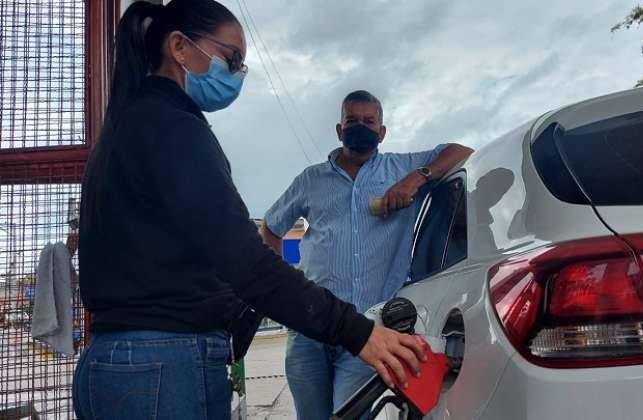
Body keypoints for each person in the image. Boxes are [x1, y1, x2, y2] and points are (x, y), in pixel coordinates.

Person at [72, 2, 425, 420]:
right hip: (165, 366)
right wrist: (359, 332)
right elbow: (246, 261)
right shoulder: (174, 128)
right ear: (180, 47)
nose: (237, 74)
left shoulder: (126, 126)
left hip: (115, 363)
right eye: (232, 59)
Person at [261, 90, 473, 419]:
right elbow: (271, 230)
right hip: (309, 324)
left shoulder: (401, 168)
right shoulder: (311, 180)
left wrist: (417, 179)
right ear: (338, 129)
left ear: (382, 131)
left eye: (369, 121)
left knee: (350, 414)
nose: (360, 126)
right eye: (352, 120)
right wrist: (285, 286)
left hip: (368, 328)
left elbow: (461, 151)